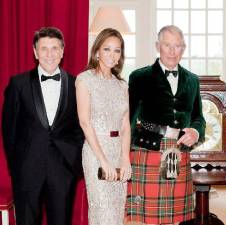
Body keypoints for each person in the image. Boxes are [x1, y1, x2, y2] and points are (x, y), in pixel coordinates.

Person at [1, 27, 84, 225]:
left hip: (63, 169)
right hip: (27, 168)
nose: (49, 54)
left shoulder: (77, 84)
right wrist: (17, 167)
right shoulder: (18, 84)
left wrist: (73, 161)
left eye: (54, 48)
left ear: (62, 51)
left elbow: (81, 127)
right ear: (35, 52)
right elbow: (8, 130)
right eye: (44, 48)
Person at [127, 25, 205, 225]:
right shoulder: (139, 77)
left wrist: (196, 131)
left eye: (177, 46)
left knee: (174, 217)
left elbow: (198, 117)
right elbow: (128, 118)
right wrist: (123, 155)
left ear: (184, 48)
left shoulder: (192, 80)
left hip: (178, 151)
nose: (172, 51)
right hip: (147, 149)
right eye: (167, 45)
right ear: (157, 46)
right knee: (147, 217)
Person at [75, 28, 131, 225]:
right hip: (95, 151)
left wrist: (126, 159)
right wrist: (103, 160)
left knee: (116, 212)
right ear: (97, 51)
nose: (112, 55)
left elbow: (125, 124)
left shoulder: (122, 85)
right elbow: (85, 122)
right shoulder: (84, 80)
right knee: (103, 212)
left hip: (117, 152)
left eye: (117, 50)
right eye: (107, 49)